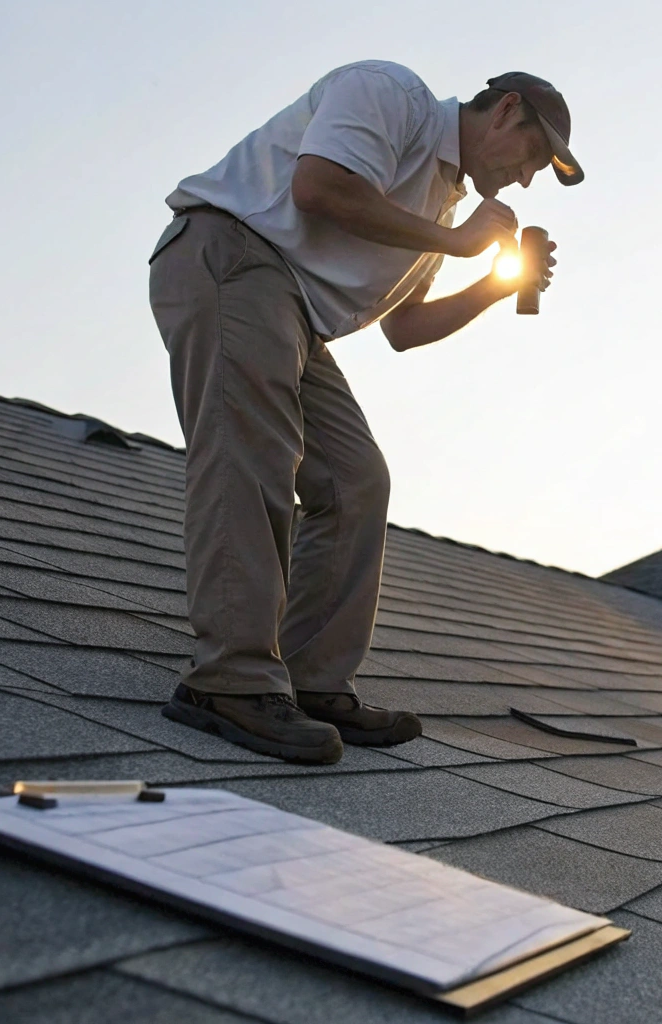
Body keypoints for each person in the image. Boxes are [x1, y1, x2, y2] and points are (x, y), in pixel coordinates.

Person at [147, 63, 581, 764]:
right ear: (505, 113)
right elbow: (319, 188)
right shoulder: (391, 95)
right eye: (533, 155)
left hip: (297, 318)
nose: (527, 178)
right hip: (232, 256)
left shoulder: (438, 209)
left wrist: (497, 288)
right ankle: (229, 681)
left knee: (357, 482)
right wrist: (459, 241)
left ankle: (311, 681)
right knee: (252, 454)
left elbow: (404, 329)